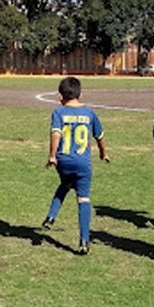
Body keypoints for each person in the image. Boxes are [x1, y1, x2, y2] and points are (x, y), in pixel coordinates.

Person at [42, 76, 109, 255]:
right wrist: (103, 153)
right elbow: (100, 136)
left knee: (65, 184)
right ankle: (84, 241)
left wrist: (52, 155)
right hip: (83, 163)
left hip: (63, 161)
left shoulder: (58, 112)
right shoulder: (89, 113)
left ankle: (51, 216)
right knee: (83, 198)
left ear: (60, 97)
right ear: (81, 94)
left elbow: (56, 134)